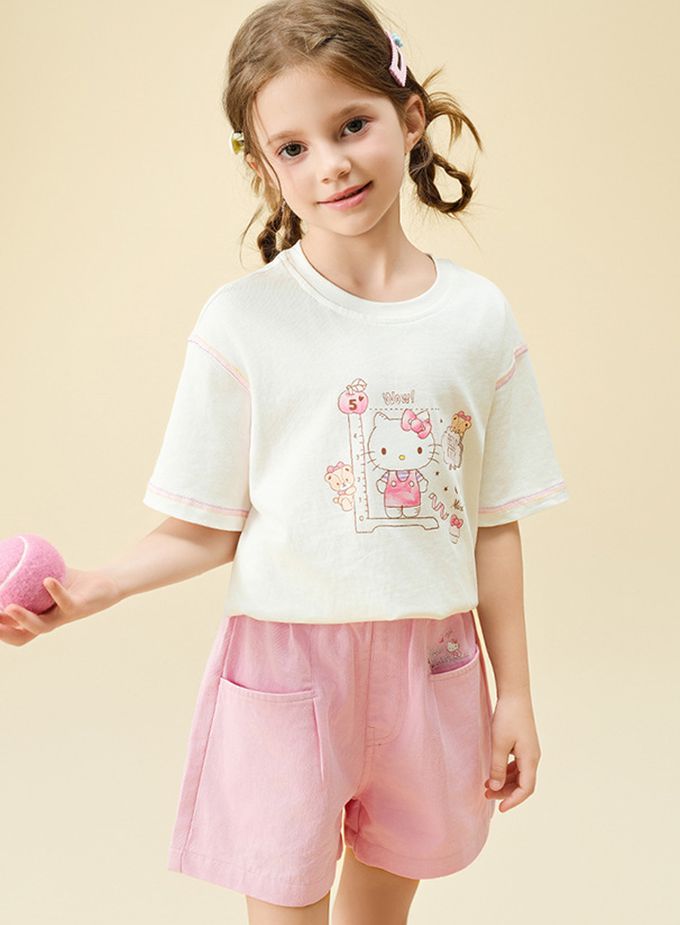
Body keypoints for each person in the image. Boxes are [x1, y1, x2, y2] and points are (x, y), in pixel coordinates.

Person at [0, 0, 570, 922]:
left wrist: (517, 695)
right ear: (265, 169)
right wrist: (96, 587)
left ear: (410, 117)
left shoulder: (477, 318)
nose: (330, 163)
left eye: (352, 125)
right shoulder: (243, 323)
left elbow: (494, 523)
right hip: (285, 667)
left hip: (431, 661)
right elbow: (204, 525)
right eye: (293, 147)